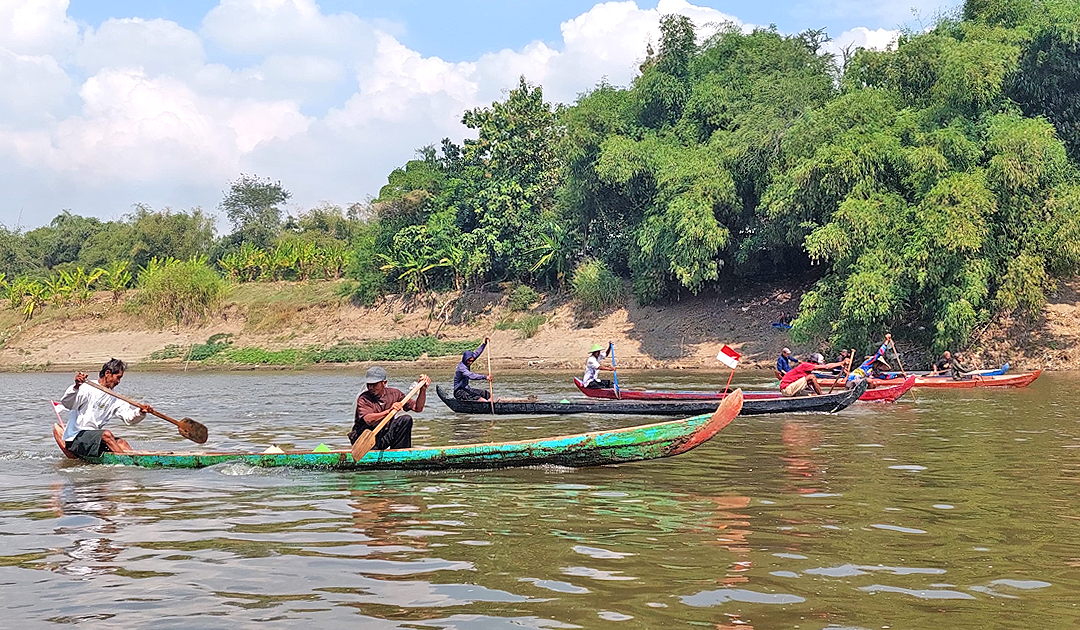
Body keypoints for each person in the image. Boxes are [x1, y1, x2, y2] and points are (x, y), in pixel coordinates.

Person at [60, 358, 152, 457]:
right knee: (106, 435)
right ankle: (127, 461)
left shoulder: (115, 398)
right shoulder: (86, 388)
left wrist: (141, 412)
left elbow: (129, 418)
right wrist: (76, 386)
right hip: (75, 438)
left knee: (122, 443)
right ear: (108, 373)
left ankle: (134, 462)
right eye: (118, 377)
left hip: (93, 439)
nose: (119, 381)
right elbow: (67, 403)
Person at [351, 366, 431, 450]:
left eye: (374, 385)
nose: (371, 387)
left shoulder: (395, 393)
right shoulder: (363, 398)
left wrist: (423, 390)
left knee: (405, 420)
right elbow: (369, 419)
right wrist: (389, 411)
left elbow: (417, 408)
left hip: (384, 436)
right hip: (364, 438)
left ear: (384, 383)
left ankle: (400, 454)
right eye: (369, 384)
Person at [779, 353, 845, 396]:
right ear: (813, 362)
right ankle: (821, 396)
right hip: (786, 389)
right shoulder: (805, 365)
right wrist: (841, 363)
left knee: (812, 387)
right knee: (812, 377)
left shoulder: (807, 369)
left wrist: (814, 393)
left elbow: (824, 368)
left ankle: (819, 395)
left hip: (789, 389)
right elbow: (826, 367)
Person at [454, 337, 491, 401]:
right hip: (459, 392)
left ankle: (491, 403)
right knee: (478, 398)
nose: (470, 363)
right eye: (469, 361)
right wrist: (485, 377)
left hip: (467, 389)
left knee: (486, 394)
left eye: (472, 361)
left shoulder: (468, 362)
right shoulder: (461, 368)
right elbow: (471, 376)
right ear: (465, 359)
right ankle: (484, 404)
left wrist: (484, 344)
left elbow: (477, 353)